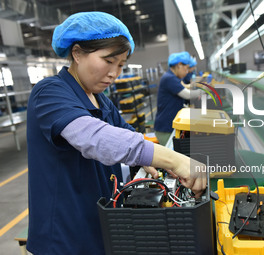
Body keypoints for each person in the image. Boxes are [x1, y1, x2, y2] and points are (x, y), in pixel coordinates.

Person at [26, 12, 206, 255]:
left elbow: (128, 135)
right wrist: (175, 159)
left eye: (121, 65)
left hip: (100, 224)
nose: (115, 73)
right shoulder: (49, 92)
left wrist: (160, 166)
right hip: (64, 236)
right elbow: (96, 138)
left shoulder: (101, 100)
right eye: (108, 61)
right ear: (77, 53)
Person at [154, 51, 202, 145]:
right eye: (187, 68)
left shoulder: (173, 77)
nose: (188, 71)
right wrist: (205, 91)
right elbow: (187, 94)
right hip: (165, 128)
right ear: (179, 65)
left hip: (169, 125)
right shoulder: (169, 78)